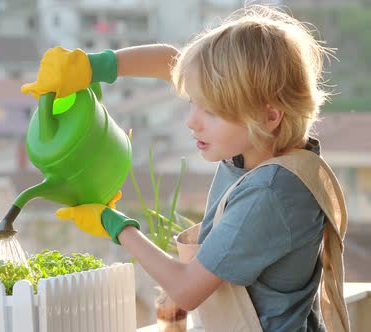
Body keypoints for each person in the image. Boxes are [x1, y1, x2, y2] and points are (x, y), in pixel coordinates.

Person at [22, 5, 349, 332]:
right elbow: (171, 61)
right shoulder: (263, 147)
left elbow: (185, 288)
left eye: (211, 111)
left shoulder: (271, 194)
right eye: (194, 101)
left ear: (269, 116)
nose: (191, 121)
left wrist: (113, 222)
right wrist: (95, 66)